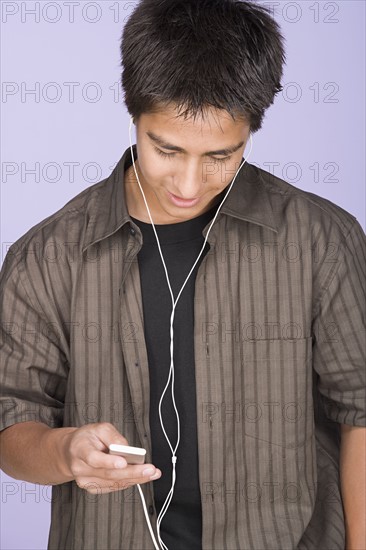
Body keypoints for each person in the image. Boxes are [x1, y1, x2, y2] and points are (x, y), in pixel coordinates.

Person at [0, 0, 365, 549]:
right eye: (165, 149)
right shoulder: (48, 255)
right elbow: (12, 421)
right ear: (134, 116)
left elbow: (359, 408)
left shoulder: (320, 239)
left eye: (222, 154)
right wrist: (64, 452)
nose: (190, 184)